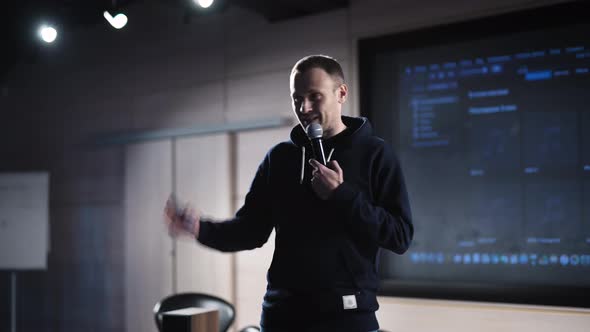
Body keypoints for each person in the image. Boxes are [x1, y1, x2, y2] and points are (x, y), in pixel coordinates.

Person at [165, 54, 413, 332]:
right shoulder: (280, 159)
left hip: (347, 318)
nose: (304, 107)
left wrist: (342, 195)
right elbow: (250, 231)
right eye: (297, 99)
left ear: (341, 93)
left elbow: (400, 235)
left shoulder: (376, 154)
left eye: (314, 96)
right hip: (282, 317)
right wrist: (201, 228)